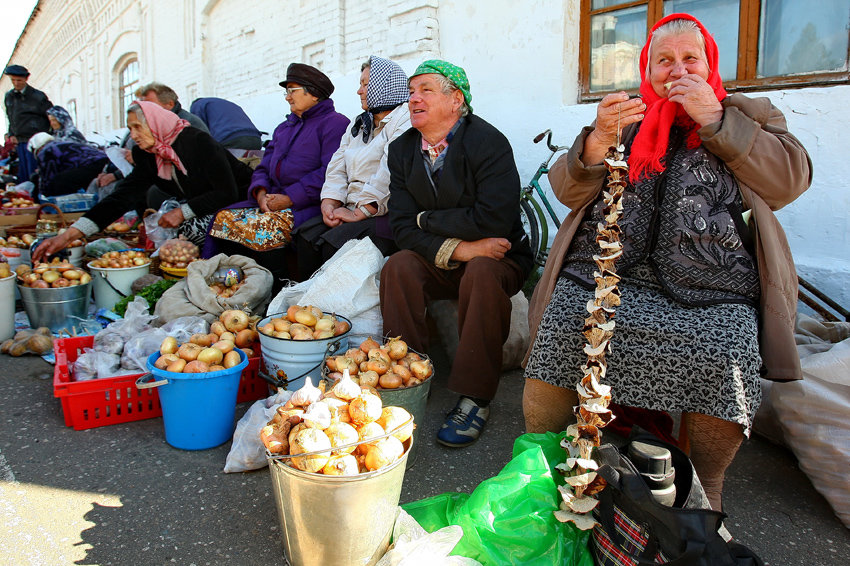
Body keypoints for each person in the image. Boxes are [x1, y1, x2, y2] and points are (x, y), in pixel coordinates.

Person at [522, 14, 812, 510]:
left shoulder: (750, 114)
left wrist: (715, 120)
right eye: (664, 60)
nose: (676, 71)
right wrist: (595, 141)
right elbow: (568, 191)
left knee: (725, 348)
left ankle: (708, 487)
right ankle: (539, 466)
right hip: (609, 272)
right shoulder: (624, 115)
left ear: (709, 63)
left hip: (714, 283)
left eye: (689, 59)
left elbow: (788, 183)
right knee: (565, 323)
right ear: (647, 67)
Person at [380, 60, 533, 448]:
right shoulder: (401, 150)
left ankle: (475, 397)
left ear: (455, 100)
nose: (414, 98)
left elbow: (494, 219)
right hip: (453, 254)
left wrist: (425, 219)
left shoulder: (487, 142)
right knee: (398, 266)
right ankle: (408, 373)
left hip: (500, 257)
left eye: (426, 90)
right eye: (411, 91)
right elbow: (400, 227)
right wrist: (459, 248)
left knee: (482, 271)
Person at [33, 100, 253, 261]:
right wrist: (70, 234)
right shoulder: (148, 154)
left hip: (242, 200)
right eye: (130, 128)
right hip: (209, 205)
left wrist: (181, 212)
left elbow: (227, 192)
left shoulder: (197, 141)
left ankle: (223, 273)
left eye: (138, 126)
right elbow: (122, 196)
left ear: (156, 123)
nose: (134, 135)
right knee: (181, 232)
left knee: (191, 226)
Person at [202, 63, 349, 284]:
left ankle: (276, 289)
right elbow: (263, 166)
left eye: (293, 91)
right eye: (286, 92)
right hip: (272, 201)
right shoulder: (284, 128)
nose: (288, 98)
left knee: (263, 229)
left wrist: (289, 198)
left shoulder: (335, 124)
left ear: (314, 94)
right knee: (224, 219)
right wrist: (261, 194)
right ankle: (233, 284)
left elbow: (330, 172)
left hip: (309, 203)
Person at [296, 55, 411, 278]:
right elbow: (337, 165)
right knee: (306, 237)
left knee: (336, 245)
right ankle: (305, 308)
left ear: (383, 85)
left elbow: (390, 171)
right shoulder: (359, 124)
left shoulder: (404, 119)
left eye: (365, 84)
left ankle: (332, 311)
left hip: (384, 212)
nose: (359, 91)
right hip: (351, 207)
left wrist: (362, 211)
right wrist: (330, 201)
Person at [3, 64, 53, 183]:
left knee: (36, 173)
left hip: (36, 143)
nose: (16, 83)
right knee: (24, 175)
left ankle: (39, 199)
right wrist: (11, 134)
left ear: (26, 79)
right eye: (13, 80)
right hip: (21, 142)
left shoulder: (38, 96)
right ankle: (27, 200)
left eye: (19, 80)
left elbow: (50, 116)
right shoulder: (9, 96)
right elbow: (11, 117)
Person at [27, 132, 108, 199]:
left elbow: (48, 179)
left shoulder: (46, 150)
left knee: (57, 183)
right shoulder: (60, 144)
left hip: (92, 165)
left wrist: (38, 198)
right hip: (105, 163)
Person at [189, 97, 263, 153]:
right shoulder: (221, 103)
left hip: (231, 139)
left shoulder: (197, 105)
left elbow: (200, 130)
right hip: (256, 139)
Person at [135, 82, 210, 134]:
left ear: (170, 104)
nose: (145, 109)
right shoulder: (154, 124)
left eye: (151, 105)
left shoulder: (188, 124)